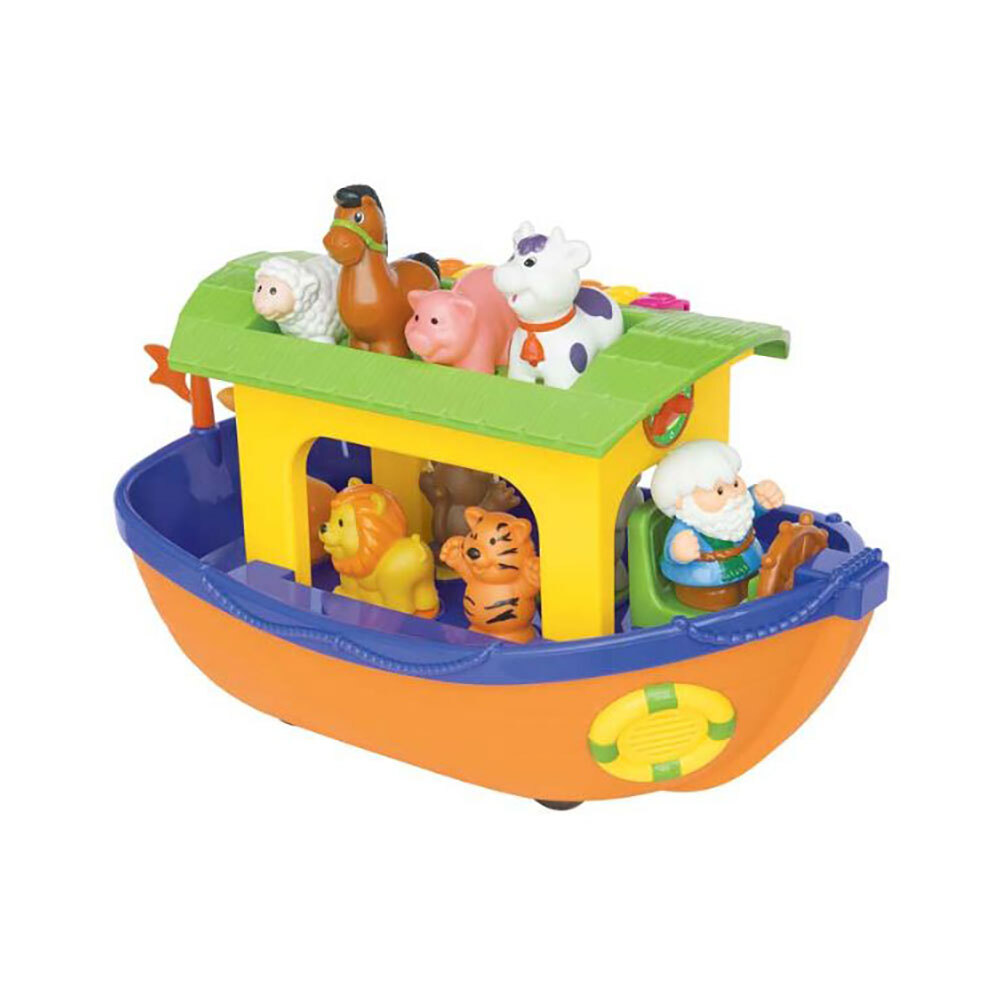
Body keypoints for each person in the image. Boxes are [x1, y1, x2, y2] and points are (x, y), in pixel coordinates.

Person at [650, 440, 784, 611]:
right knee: (721, 598)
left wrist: (761, 498)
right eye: (720, 491)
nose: (733, 494)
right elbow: (673, 552)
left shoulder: (737, 507)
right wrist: (678, 552)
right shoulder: (688, 526)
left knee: (756, 587)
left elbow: (747, 511)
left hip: (754, 569)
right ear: (681, 502)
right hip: (706, 587)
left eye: (735, 483)